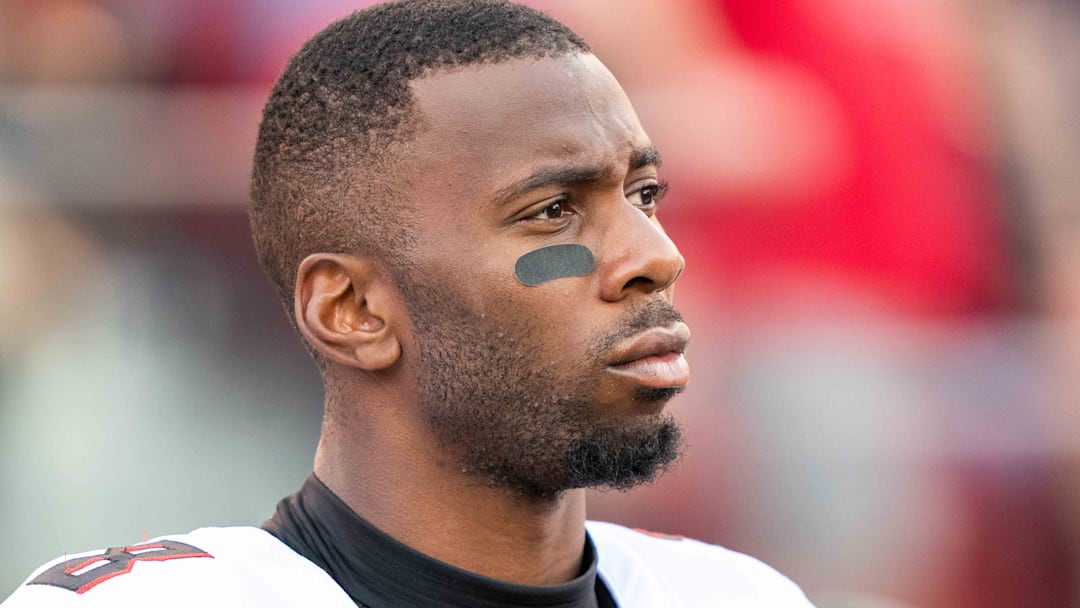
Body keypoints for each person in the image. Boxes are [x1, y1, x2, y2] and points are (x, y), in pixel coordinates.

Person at [3, 1, 814, 606]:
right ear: (352, 309)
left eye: (644, 193)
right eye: (550, 212)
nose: (657, 257)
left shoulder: (732, 594)